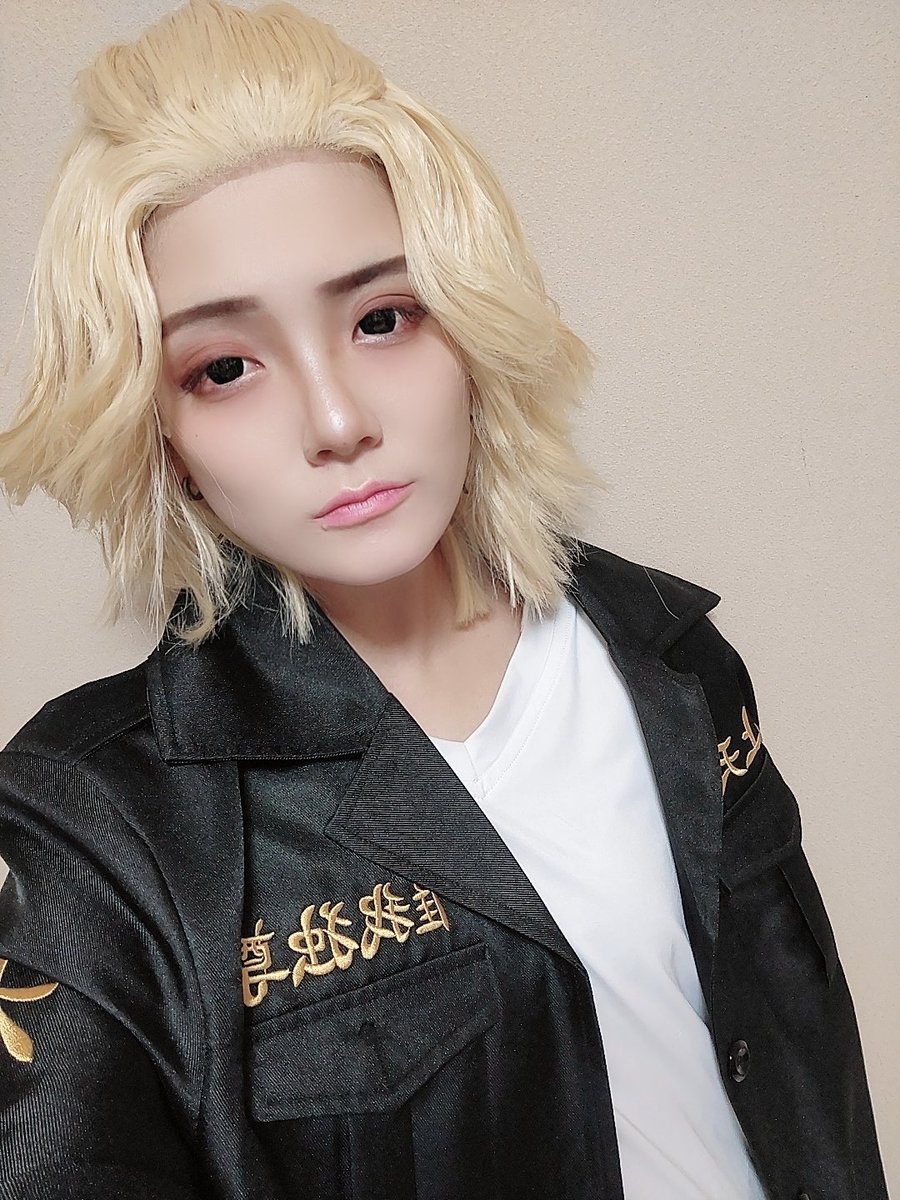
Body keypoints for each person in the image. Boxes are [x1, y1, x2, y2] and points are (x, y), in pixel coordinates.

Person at [0, 2, 888, 1198]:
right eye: (224, 368)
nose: (336, 420)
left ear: (468, 327)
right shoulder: (95, 824)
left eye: (382, 319)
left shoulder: (671, 654)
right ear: (162, 436)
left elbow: (806, 1075)